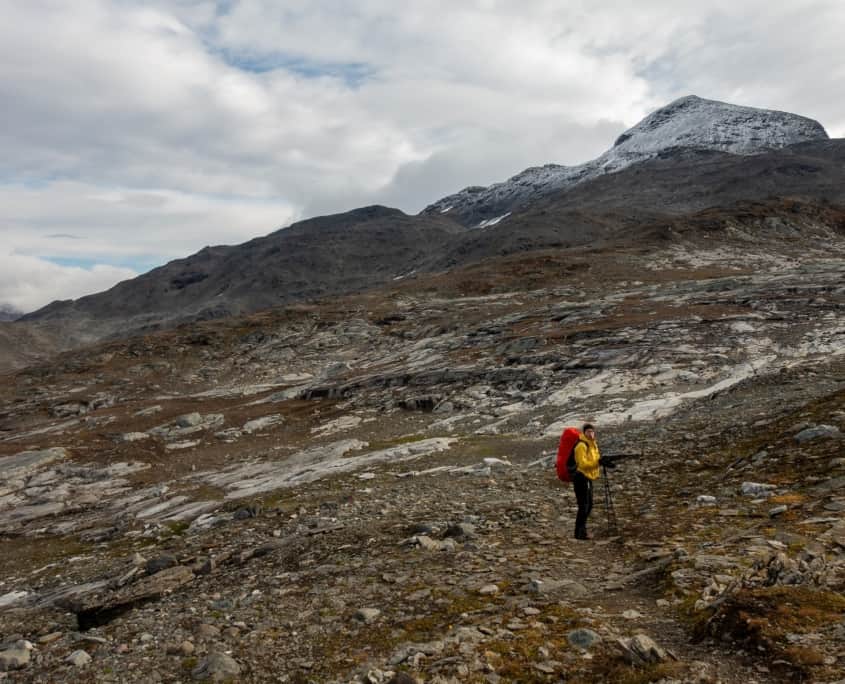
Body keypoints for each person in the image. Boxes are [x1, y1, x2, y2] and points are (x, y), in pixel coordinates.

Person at [572, 423, 601, 540]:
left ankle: (581, 531)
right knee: (584, 506)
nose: (591, 433)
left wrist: (602, 462)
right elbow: (582, 464)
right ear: (583, 433)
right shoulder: (581, 446)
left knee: (588, 505)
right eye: (588, 432)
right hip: (581, 477)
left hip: (588, 477)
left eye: (592, 431)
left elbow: (595, 459)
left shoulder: (593, 445)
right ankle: (579, 533)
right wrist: (597, 463)